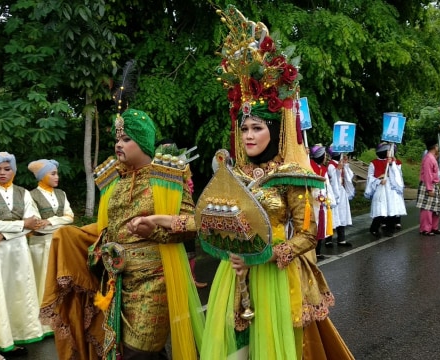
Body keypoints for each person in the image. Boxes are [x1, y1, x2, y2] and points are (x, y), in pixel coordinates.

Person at [131, 6, 355, 359]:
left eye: (258, 128)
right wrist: (160, 220)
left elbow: (309, 235)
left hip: (274, 281)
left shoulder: (291, 176)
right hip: (231, 277)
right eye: (245, 127)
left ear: (275, 130)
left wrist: (265, 256)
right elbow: (210, 222)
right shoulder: (232, 175)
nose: (248, 135)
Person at [42, 109, 204, 360]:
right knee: (126, 351)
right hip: (117, 282)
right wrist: (74, 237)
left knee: (139, 352)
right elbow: (108, 227)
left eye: (126, 139)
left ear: (143, 143)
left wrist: (156, 227)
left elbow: (194, 224)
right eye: (117, 139)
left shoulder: (167, 176)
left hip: (154, 282)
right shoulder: (115, 179)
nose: (118, 144)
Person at [0, 151, 44, 357]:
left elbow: (36, 222)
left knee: (17, 294)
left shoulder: (24, 193)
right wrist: (23, 224)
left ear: (14, 170)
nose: (2, 173)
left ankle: (13, 339)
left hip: (17, 251)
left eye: (7, 169)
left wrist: (2, 235)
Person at [154, 138, 206, 288]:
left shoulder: (184, 168)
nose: (168, 151)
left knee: (189, 247)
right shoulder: (156, 169)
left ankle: (192, 279)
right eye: (164, 148)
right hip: (165, 213)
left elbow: (190, 188)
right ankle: (177, 282)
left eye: (170, 148)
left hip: (184, 212)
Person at [27, 159, 74, 319]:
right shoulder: (31, 196)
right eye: (53, 173)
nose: (57, 177)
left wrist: (51, 221)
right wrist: (59, 222)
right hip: (41, 244)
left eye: (57, 173)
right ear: (41, 176)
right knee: (44, 278)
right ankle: (45, 314)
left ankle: (63, 311)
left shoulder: (62, 194)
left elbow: (70, 217)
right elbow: (38, 225)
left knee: (61, 276)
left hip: (60, 242)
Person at [365, 142, 407, 238]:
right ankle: (374, 228)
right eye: (388, 150)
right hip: (381, 188)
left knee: (391, 208)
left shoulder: (395, 162)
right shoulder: (373, 163)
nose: (390, 152)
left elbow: (398, 175)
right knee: (381, 208)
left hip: (392, 188)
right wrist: (378, 180)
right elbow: (370, 177)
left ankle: (390, 229)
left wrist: (392, 164)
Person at [310, 144, 336, 258]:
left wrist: (329, 199)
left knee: (321, 225)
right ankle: (311, 251)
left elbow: (327, 186)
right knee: (313, 226)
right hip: (313, 202)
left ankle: (318, 251)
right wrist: (317, 196)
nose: (326, 157)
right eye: (324, 155)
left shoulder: (323, 169)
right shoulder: (309, 168)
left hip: (322, 202)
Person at [327, 146, 354, 247]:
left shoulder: (340, 163)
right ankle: (328, 239)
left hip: (341, 192)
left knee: (342, 214)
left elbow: (349, 177)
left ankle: (341, 239)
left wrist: (345, 166)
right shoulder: (331, 165)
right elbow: (333, 179)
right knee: (333, 215)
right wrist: (338, 169)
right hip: (333, 192)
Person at [416, 139, 440, 236]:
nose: (438, 148)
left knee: (436, 208)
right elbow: (427, 174)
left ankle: (433, 227)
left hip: (434, 184)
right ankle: (425, 229)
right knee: (427, 208)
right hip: (429, 185)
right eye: (437, 146)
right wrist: (429, 188)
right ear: (435, 146)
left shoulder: (432, 157)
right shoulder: (428, 158)